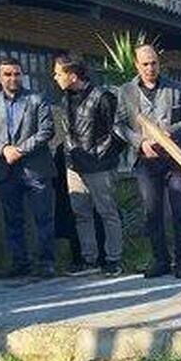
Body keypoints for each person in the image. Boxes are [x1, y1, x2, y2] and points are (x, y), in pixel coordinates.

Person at [116, 44, 181, 279]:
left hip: (174, 159)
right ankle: (161, 260)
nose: (150, 68)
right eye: (145, 64)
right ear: (136, 65)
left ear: (159, 63)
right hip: (145, 160)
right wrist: (140, 142)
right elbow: (119, 124)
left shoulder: (176, 88)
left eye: (153, 63)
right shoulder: (126, 91)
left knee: (180, 211)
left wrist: (171, 132)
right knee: (152, 213)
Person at [0, 56, 57, 278]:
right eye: (7, 74)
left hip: (35, 169)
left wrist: (19, 150)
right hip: (6, 170)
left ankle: (46, 263)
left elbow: (46, 131)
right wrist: (4, 149)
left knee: (43, 218)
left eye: (17, 74)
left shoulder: (36, 99)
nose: (13, 78)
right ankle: (19, 263)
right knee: (13, 220)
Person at [52, 53, 124, 277]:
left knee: (107, 212)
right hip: (74, 165)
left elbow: (119, 132)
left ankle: (113, 260)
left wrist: (101, 155)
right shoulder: (65, 99)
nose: (55, 78)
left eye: (58, 73)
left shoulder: (103, 97)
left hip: (100, 166)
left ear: (72, 76)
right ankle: (88, 259)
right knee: (81, 213)